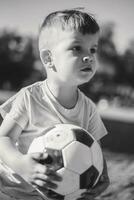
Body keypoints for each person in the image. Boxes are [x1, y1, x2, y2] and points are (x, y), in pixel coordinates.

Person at [0, 9, 109, 200]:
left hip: (59, 194)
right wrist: (20, 164)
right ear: (49, 59)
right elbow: (3, 139)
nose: (89, 56)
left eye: (93, 49)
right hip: (13, 192)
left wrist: (101, 175)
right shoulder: (30, 98)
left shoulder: (89, 109)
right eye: (77, 48)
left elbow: (95, 150)